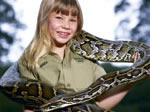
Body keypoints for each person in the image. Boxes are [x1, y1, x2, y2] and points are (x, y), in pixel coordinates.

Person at [18, 0, 136, 112]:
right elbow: (30, 109)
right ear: (44, 19)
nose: (66, 25)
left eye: (72, 20)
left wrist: (132, 76)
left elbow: (101, 102)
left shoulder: (89, 58)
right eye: (59, 18)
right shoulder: (30, 60)